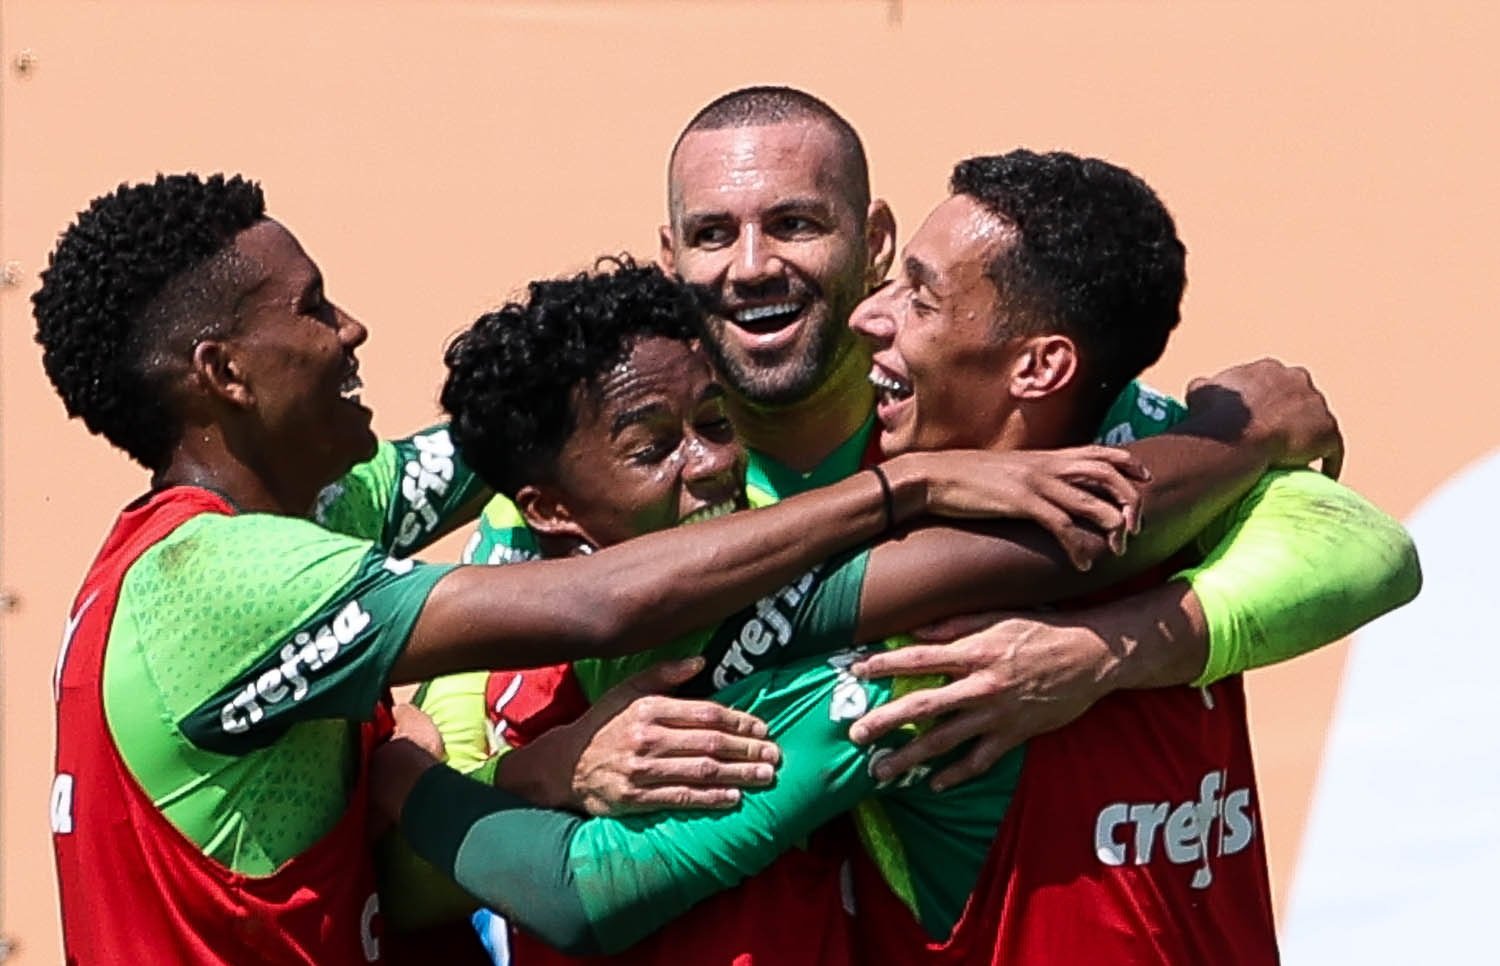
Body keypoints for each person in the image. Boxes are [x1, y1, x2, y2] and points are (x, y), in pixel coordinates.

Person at [382, 155, 1417, 961]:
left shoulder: (1136, 495)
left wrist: (1106, 651)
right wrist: (533, 773)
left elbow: (1375, 550)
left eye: (914, 294)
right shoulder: (558, 557)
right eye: (709, 234)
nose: (754, 267)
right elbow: (458, 884)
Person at [35, 173, 1075, 965]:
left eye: (714, 427)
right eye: (312, 308)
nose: (351, 328)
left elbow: (529, 429)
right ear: (223, 373)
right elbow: (598, 604)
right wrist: (905, 489)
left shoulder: (321, 504)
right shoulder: (226, 579)